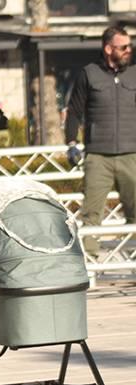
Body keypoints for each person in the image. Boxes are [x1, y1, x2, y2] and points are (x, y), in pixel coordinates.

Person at [65, 26, 135, 257]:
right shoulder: (89, 74)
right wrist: (71, 143)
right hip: (98, 157)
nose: (128, 50)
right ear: (108, 49)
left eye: (129, 46)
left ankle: (133, 263)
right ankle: (91, 262)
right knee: (91, 214)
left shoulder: (134, 74)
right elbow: (74, 111)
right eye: (123, 47)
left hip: (132, 155)